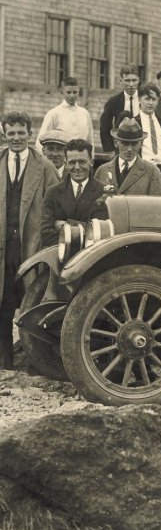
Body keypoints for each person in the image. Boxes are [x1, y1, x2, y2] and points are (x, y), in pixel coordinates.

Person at [0, 112, 59, 367]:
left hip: (31, 248)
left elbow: (55, 206)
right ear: (4, 135)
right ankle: (4, 362)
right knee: (3, 305)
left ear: (29, 134)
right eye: (11, 133)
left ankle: (35, 362)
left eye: (20, 133)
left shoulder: (44, 166)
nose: (16, 138)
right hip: (3, 248)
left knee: (31, 305)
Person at [41, 139, 108, 247]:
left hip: (91, 257)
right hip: (59, 256)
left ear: (91, 161)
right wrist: (85, 227)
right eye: (72, 162)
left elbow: (101, 234)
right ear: (66, 163)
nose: (77, 167)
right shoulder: (52, 192)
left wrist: (64, 225)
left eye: (82, 161)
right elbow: (46, 235)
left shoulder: (104, 192)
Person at [94, 118, 161, 196]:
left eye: (134, 144)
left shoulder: (152, 173)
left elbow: (155, 205)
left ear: (140, 144)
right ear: (116, 143)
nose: (129, 149)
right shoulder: (102, 171)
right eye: (125, 143)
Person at [134, 83, 161, 188]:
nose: (150, 103)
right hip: (142, 172)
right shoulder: (134, 123)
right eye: (147, 99)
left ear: (158, 100)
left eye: (153, 99)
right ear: (139, 99)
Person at [35, 76, 94, 153]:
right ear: (62, 92)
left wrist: (91, 158)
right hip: (62, 159)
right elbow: (40, 141)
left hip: (81, 159)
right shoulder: (54, 113)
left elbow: (90, 140)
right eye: (68, 92)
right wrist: (47, 162)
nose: (72, 96)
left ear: (78, 91)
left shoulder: (84, 113)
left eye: (75, 92)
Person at [100, 63, 141, 152]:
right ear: (121, 81)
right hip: (121, 148)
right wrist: (110, 150)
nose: (131, 84)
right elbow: (105, 126)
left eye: (134, 80)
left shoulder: (144, 99)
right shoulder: (113, 101)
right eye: (127, 80)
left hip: (141, 146)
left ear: (138, 80)